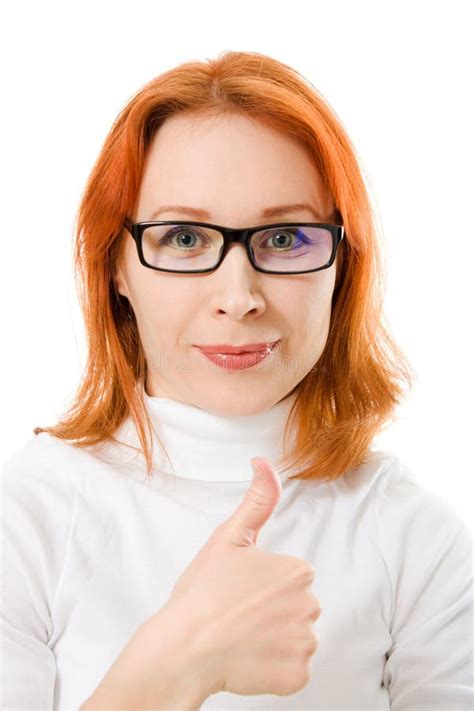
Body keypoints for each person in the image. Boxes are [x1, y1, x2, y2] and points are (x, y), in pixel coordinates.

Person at [1, 50, 472, 710]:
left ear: (343, 266)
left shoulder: (415, 536)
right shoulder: (24, 517)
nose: (238, 296)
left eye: (284, 239)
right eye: (185, 238)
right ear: (116, 266)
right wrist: (178, 659)